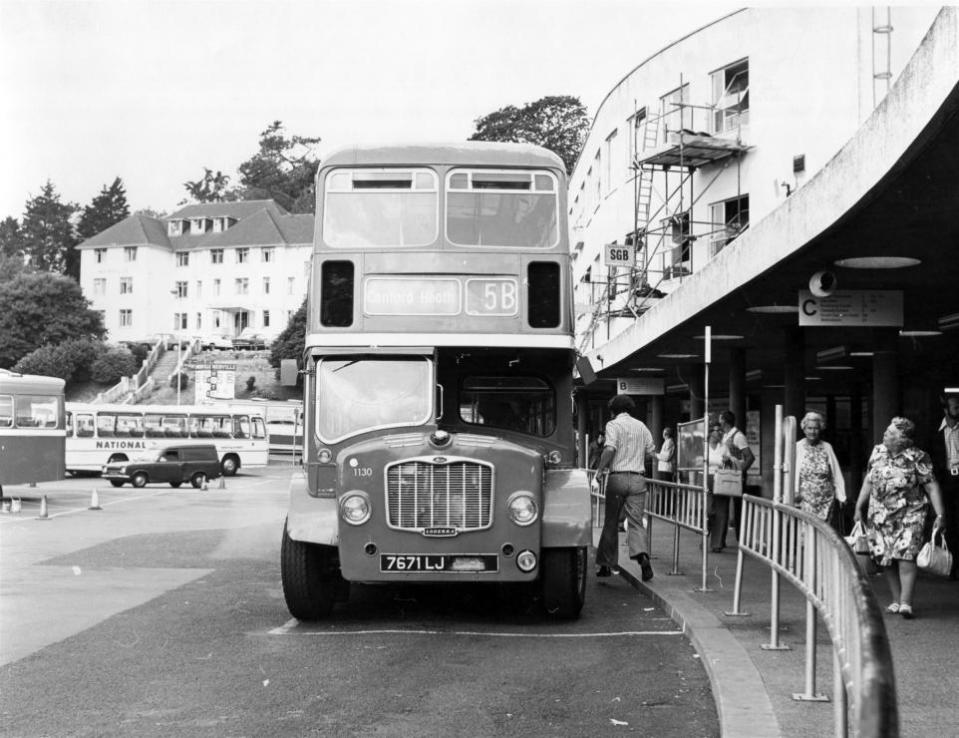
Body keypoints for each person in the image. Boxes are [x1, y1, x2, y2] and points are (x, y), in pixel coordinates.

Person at [853, 416, 947, 619]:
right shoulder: (877, 452)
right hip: (880, 514)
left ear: (903, 439)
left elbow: (931, 486)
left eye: (891, 432)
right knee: (886, 558)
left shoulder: (918, 457)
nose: (885, 434)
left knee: (906, 555)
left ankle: (906, 602)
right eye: (886, 431)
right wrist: (858, 506)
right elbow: (869, 481)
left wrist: (940, 514)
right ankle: (896, 600)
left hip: (910, 513)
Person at [591, 395, 656, 581]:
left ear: (613, 410)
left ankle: (605, 566)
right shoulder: (641, 426)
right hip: (638, 479)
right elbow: (651, 452)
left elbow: (610, 449)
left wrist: (599, 471)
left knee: (611, 522)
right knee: (636, 522)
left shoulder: (613, 425)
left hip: (617, 478)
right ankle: (642, 557)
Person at [794, 411, 846, 532]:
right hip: (805, 500)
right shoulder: (797, 446)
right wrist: (794, 491)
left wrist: (841, 495)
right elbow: (793, 470)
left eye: (816, 428)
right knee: (806, 532)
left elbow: (835, 471)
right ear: (804, 429)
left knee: (824, 533)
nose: (813, 431)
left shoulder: (827, 447)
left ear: (820, 429)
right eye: (810, 428)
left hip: (826, 501)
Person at [712, 410, 754, 552]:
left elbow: (750, 457)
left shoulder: (738, 436)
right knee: (723, 508)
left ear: (724, 421)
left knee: (738, 508)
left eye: (720, 419)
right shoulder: (725, 436)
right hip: (725, 476)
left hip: (735, 477)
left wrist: (740, 471)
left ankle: (742, 539)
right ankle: (721, 541)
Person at [932, 393, 959, 578]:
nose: (958, 410)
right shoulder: (936, 432)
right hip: (946, 480)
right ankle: (951, 565)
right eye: (955, 407)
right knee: (948, 520)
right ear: (946, 410)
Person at [704, 421, 724, 549]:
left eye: (720, 430)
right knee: (710, 511)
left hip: (721, 478)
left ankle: (716, 544)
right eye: (716, 430)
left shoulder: (723, 447)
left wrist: (727, 460)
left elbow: (729, 462)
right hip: (707, 478)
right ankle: (706, 532)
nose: (719, 433)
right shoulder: (704, 447)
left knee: (720, 512)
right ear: (711, 432)